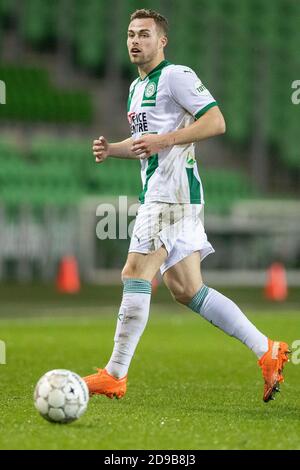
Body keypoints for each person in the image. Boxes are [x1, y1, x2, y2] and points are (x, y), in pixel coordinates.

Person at [84, 9, 290, 403]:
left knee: (134, 271)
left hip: (170, 196)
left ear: (162, 41)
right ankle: (267, 350)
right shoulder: (135, 87)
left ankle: (115, 373)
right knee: (186, 288)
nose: (135, 41)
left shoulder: (177, 76)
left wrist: (166, 140)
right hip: (167, 195)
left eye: (144, 34)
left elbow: (216, 122)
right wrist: (112, 149)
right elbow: (145, 143)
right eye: (130, 34)